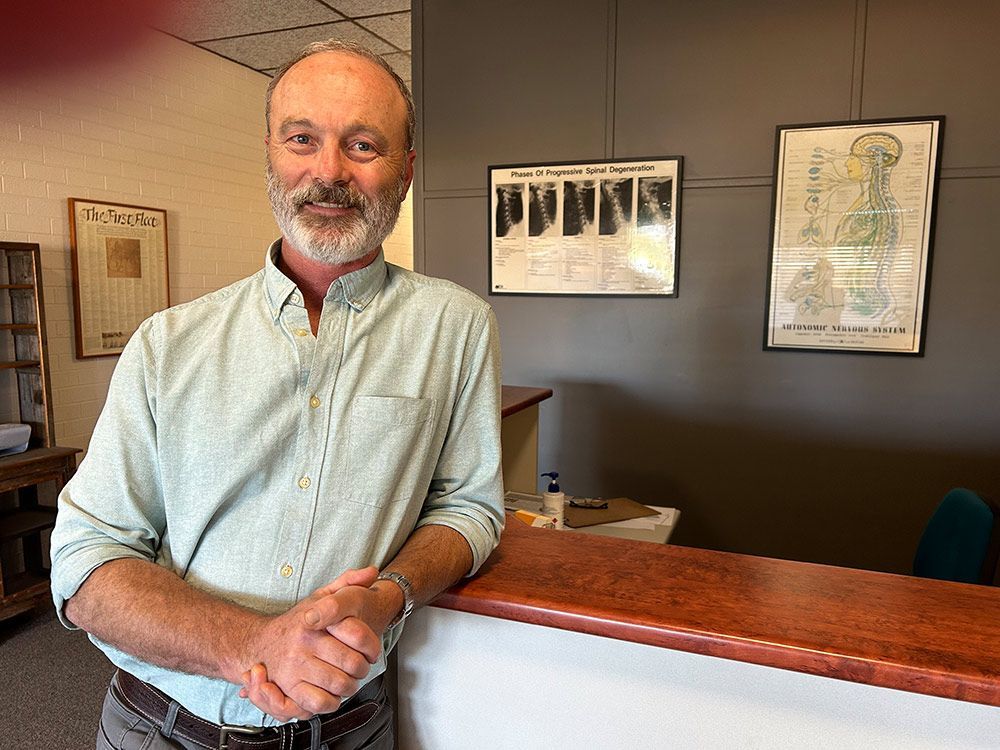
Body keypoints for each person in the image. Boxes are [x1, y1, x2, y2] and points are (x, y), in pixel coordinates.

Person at [49, 39, 504, 750]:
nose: (328, 172)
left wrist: (387, 597)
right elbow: (84, 562)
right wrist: (253, 644)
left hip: (349, 729)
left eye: (362, 145)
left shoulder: (456, 327)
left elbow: (469, 507)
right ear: (271, 153)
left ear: (406, 172)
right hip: (158, 729)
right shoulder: (168, 344)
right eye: (302, 139)